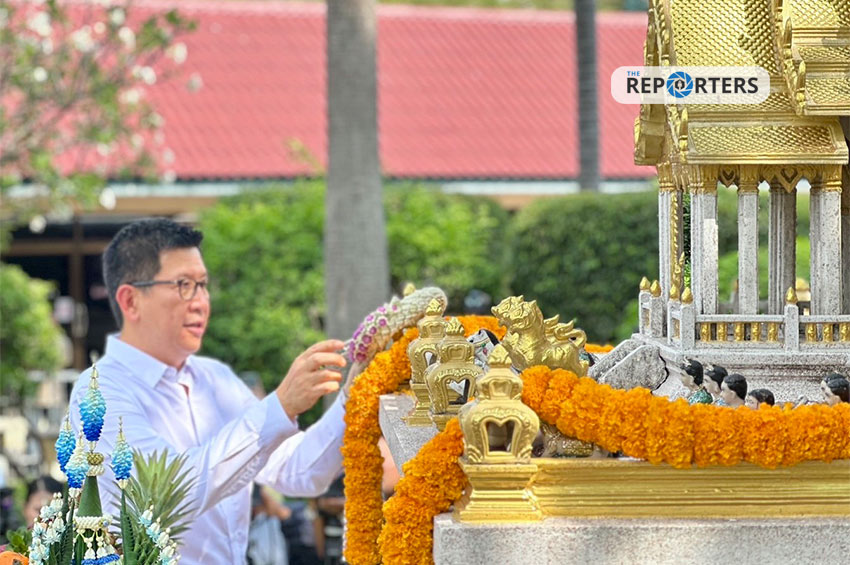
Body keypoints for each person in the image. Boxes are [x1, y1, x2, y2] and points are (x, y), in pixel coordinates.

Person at [69, 218, 351, 564]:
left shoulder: (215, 378)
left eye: (203, 285)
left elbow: (300, 472)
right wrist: (279, 407)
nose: (201, 302)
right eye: (184, 285)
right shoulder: (100, 391)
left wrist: (358, 391)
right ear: (130, 301)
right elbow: (169, 494)